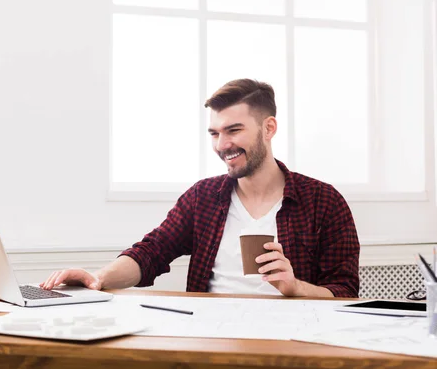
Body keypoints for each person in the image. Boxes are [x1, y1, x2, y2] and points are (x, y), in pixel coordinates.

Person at [41, 79, 360, 298]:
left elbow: (345, 292)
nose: (222, 145)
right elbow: (152, 252)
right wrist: (98, 279)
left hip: (291, 342)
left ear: (269, 128)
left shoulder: (324, 202)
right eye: (214, 133)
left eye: (234, 130)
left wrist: (295, 288)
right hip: (212, 340)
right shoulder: (203, 198)